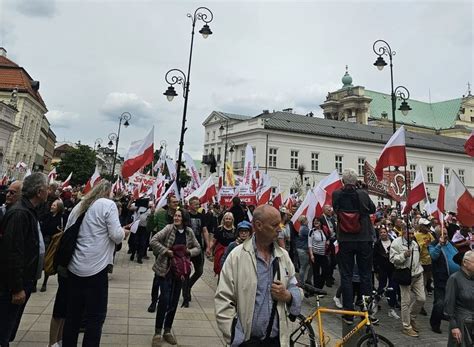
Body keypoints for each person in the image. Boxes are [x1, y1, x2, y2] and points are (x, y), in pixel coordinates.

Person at [215, 205, 302, 346]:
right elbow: (223, 300)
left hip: (276, 341)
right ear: (258, 225)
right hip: (247, 341)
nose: (280, 229)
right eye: (274, 225)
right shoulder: (237, 257)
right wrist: (237, 339)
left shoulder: (283, 256)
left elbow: (295, 285)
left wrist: (288, 296)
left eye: (280, 224)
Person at [61, 181, 129, 346]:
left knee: (73, 315)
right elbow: (116, 235)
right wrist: (124, 232)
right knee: (95, 317)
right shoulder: (107, 204)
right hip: (95, 268)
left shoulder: (80, 205)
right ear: (108, 192)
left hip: (74, 266)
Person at [0, 173, 48, 346]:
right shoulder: (20, 213)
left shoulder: (29, 210)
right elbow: (12, 252)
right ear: (39, 191)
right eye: (46, 187)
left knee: (9, 325)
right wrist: (17, 287)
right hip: (12, 284)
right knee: (4, 326)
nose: (48, 191)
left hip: (23, 280)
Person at [150, 209, 200, 347]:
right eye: (175, 216)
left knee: (173, 302)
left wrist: (189, 252)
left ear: (184, 219)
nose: (176, 218)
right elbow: (154, 240)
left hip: (180, 272)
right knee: (164, 299)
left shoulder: (189, 232)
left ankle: (167, 330)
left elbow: (198, 248)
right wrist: (166, 251)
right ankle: (157, 332)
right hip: (166, 270)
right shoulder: (168, 228)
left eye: (179, 216)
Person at [332, 169, 375, 324]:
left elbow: (335, 210)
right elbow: (372, 209)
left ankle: (348, 313)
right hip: (363, 238)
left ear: (343, 181)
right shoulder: (362, 193)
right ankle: (366, 310)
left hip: (345, 238)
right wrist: (362, 189)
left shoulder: (336, 194)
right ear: (356, 181)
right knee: (365, 275)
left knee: (346, 275)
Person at [389, 228, 425, 337]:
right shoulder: (396, 243)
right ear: (403, 233)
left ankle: (412, 317)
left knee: (421, 299)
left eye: (413, 233)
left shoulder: (414, 243)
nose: (412, 235)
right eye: (409, 233)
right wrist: (403, 256)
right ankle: (406, 326)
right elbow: (392, 259)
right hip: (405, 276)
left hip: (417, 274)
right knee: (406, 302)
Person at [428, 227, 459, 334]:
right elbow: (433, 256)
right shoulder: (433, 245)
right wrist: (439, 245)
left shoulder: (451, 244)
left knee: (452, 301)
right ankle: (434, 323)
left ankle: (445, 316)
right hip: (441, 279)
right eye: (443, 233)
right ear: (437, 235)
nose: (446, 235)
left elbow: (456, 254)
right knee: (439, 302)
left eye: (446, 233)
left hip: (454, 279)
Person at [181, 196, 210, 308]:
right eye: (195, 204)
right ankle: (186, 297)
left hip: (198, 248)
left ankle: (188, 286)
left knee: (199, 271)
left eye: (198, 204)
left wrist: (208, 246)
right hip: (187, 248)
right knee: (186, 272)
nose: (198, 206)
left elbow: (204, 230)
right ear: (190, 205)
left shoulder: (201, 216)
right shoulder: (185, 216)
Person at [444, 250, 474, 347]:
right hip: (461, 322)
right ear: (465, 263)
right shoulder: (454, 279)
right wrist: (454, 327)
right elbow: (449, 304)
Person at [39, 199, 66, 292]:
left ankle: (44, 282)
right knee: (40, 259)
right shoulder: (46, 216)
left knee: (48, 260)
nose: (52, 206)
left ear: (59, 208)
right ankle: (34, 282)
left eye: (54, 205)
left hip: (53, 242)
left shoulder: (62, 217)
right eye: (52, 205)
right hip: (44, 239)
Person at [373, 227, 399, 319]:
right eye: (381, 232)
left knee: (393, 287)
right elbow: (375, 258)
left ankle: (391, 308)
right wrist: (376, 270)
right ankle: (375, 303)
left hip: (392, 268)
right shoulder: (377, 244)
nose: (383, 234)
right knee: (381, 287)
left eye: (384, 232)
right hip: (382, 269)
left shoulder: (393, 241)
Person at [415, 217, 435, 300]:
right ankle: (421, 292)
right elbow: (416, 247)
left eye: (429, 225)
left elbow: (433, 243)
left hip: (429, 259)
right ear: (421, 226)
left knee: (429, 275)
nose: (428, 227)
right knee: (422, 277)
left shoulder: (429, 234)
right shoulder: (416, 235)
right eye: (426, 226)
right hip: (420, 260)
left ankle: (428, 287)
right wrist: (424, 244)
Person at [308, 218, 330, 290]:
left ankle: (320, 287)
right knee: (316, 272)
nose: (316, 222)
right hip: (315, 255)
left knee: (326, 271)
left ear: (320, 222)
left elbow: (328, 238)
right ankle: (316, 288)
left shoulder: (324, 230)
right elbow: (310, 244)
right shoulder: (312, 231)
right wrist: (311, 255)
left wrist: (328, 241)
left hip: (324, 254)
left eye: (317, 221)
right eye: (314, 221)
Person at [212, 212, 236, 276]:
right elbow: (213, 241)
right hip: (221, 253)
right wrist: (209, 248)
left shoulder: (235, 230)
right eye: (226, 218)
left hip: (231, 253)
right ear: (224, 219)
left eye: (229, 219)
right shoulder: (219, 229)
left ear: (232, 220)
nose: (228, 220)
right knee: (221, 272)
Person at [319, 205, 337, 286]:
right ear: (324, 210)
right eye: (328, 210)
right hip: (325, 243)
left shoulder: (332, 219)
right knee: (327, 262)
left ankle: (330, 275)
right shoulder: (321, 219)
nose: (330, 211)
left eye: (330, 210)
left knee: (333, 260)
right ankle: (327, 278)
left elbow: (335, 229)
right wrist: (327, 239)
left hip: (333, 242)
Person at [295, 215, 311, 285]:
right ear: (304, 221)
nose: (308, 221)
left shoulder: (303, 228)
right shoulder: (304, 229)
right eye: (307, 220)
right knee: (303, 266)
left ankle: (305, 280)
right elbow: (311, 234)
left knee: (304, 266)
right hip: (303, 249)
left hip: (302, 249)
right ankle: (301, 282)